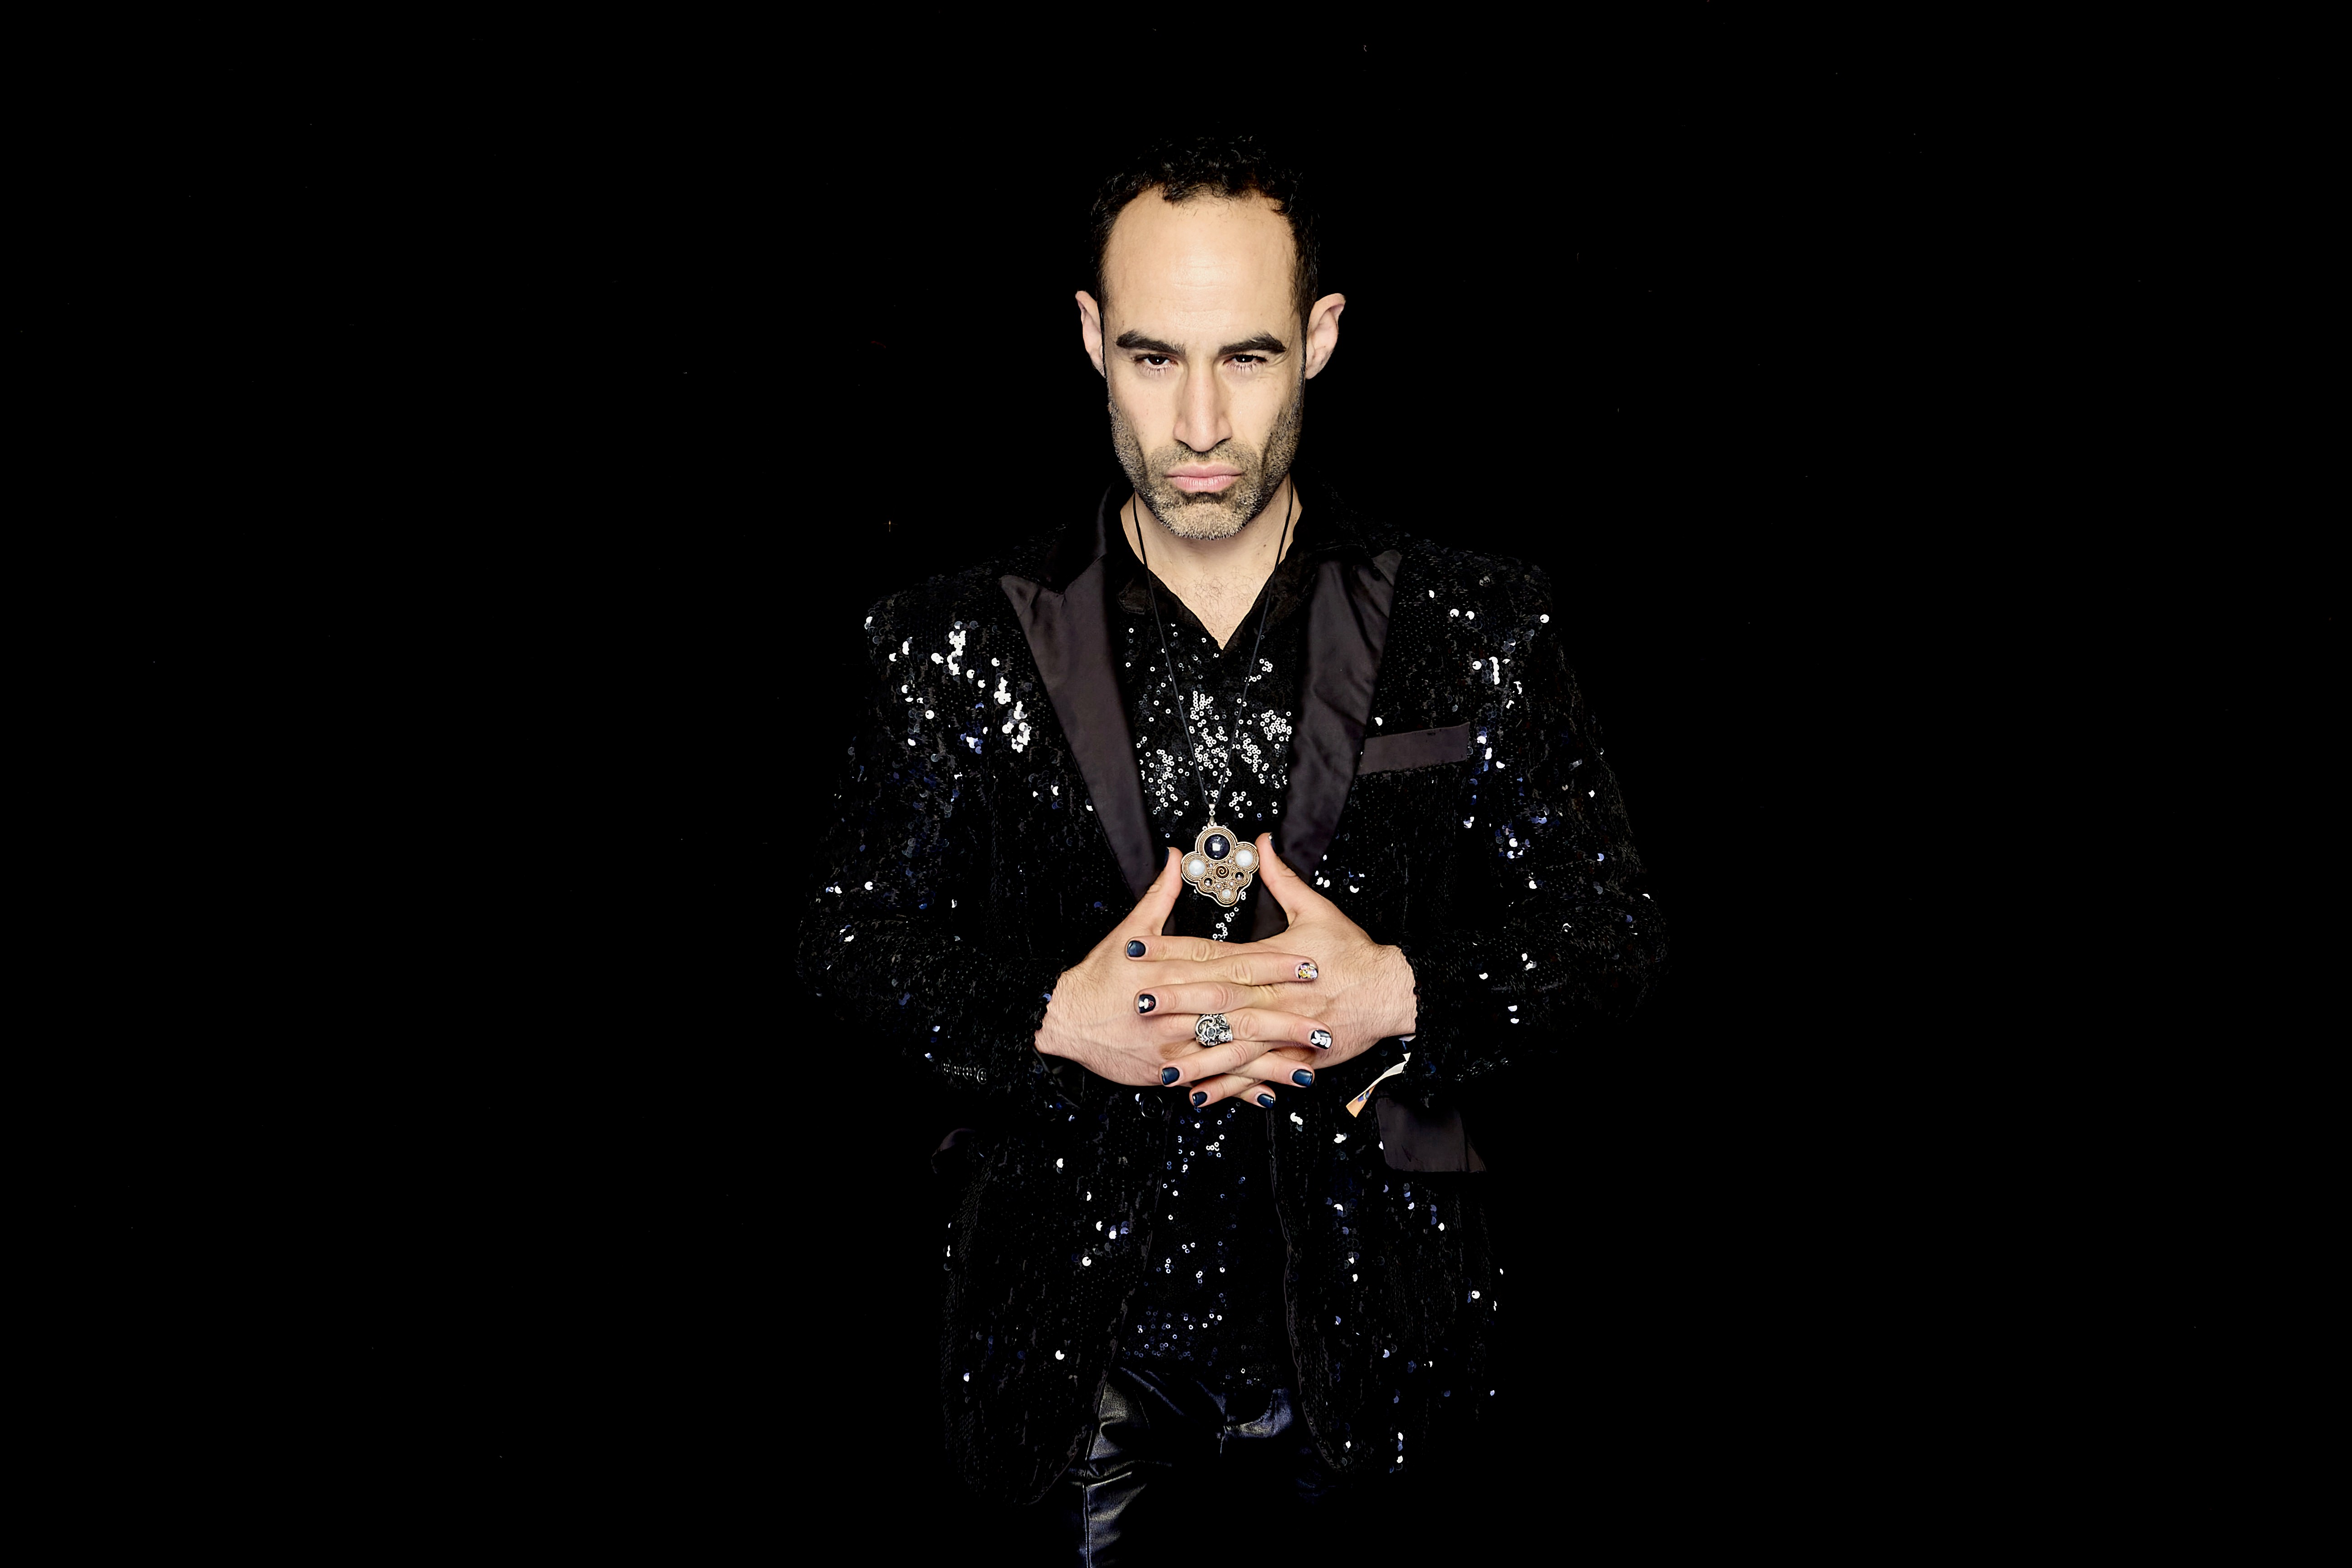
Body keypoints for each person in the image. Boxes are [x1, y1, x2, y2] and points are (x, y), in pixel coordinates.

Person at [801, 133, 1666, 1559]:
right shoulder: (950, 635)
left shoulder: (1477, 620)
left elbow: (1614, 936)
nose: (1200, 422)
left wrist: (1401, 995)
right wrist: (1049, 1019)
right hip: (1068, 1370)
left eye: (1247, 358)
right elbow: (844, 936)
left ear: (1319, 338)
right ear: (1092, 338)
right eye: (1154, 358)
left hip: (1386, 1366)